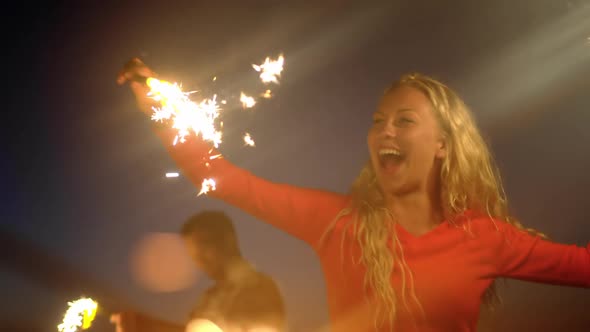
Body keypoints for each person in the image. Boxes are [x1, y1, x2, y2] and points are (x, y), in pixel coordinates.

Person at [117, 58, 590, 332]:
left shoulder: (485, 239)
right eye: (378, 121)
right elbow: (220, 175)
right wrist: (158, 103)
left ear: (443, 145)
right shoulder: (336, 221)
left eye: (404, 120)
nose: (385, 130)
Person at [112, 210, 286, 332]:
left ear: (228, 240)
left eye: (204, 247)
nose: (199, 260)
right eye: (193, 254)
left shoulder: (258, 288)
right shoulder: (211, 295)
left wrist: (153, 327)